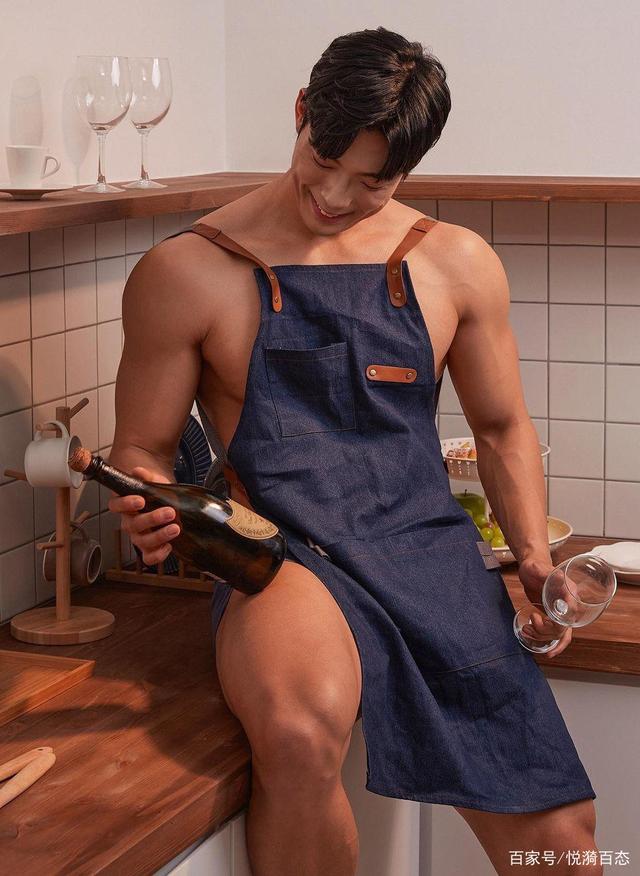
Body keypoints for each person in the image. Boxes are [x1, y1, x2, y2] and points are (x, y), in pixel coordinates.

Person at [108, 26, 602, 876]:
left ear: (412, 166)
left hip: (425, 547)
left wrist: (530, 555)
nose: (334, 196)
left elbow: (500, 427)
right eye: (323, 159)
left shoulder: (455, 263)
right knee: (300, 731)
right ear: (303, 111)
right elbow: (142, 451)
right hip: (281, 552)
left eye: (372, 181)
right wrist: (149, 504)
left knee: (566, 848)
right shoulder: (187, 271)